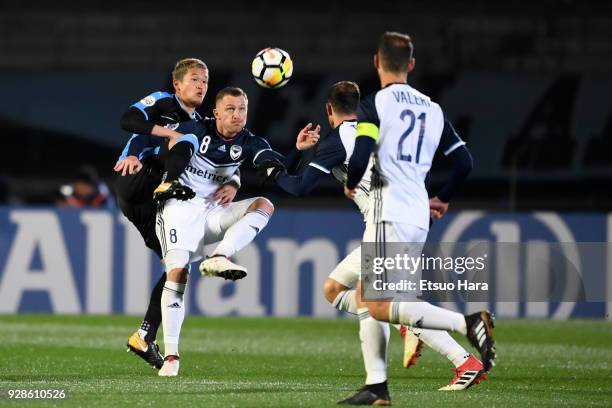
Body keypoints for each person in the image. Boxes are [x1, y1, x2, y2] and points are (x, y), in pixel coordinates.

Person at [265, 81, 487, 396]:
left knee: (385, 303)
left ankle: (464, 358)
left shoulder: (337, 140)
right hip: (411, 219)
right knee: (335, 289)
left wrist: (275, 172)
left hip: (387, 223)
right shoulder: (381, 131)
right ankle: (409, 332)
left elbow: (299, 187)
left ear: (329, 109)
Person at [340, 32, 495, 405]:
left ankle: (468, 323)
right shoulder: (433, 108)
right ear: (410, 64)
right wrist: (441, 198)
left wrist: (350, 182)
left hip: (386, 209)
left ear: (376, 62)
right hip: (417, 216)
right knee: (380, 297)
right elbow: (464, 162)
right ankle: (376, 386)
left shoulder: (375, 104)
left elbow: (360, 155)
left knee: (376, 302)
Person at [151, 86, 300, 376]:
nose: (237, 115)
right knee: (178, 273)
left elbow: (271, 165)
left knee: (264, 204)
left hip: (213, 212)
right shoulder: (195, 128)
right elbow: (171, 146)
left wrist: (296, 152)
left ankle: (220, 255)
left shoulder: (249, 141)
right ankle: (171, 357)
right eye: (230, 109)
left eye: (242, 109)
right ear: (216, 112)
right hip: (178, 210)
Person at [114, 58, 241, 370]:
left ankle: (144, 335)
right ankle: (150, 338)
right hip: (140, 179)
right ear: (177, 85)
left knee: (178, 268)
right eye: (195, 79)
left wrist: (235, 182)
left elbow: (227, 155)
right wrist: (139, 148)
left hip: (155, 196)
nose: (201, 86)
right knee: (179, 266)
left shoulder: (201, 123)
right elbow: (129, 120)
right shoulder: (163, 102)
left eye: (205, 81)